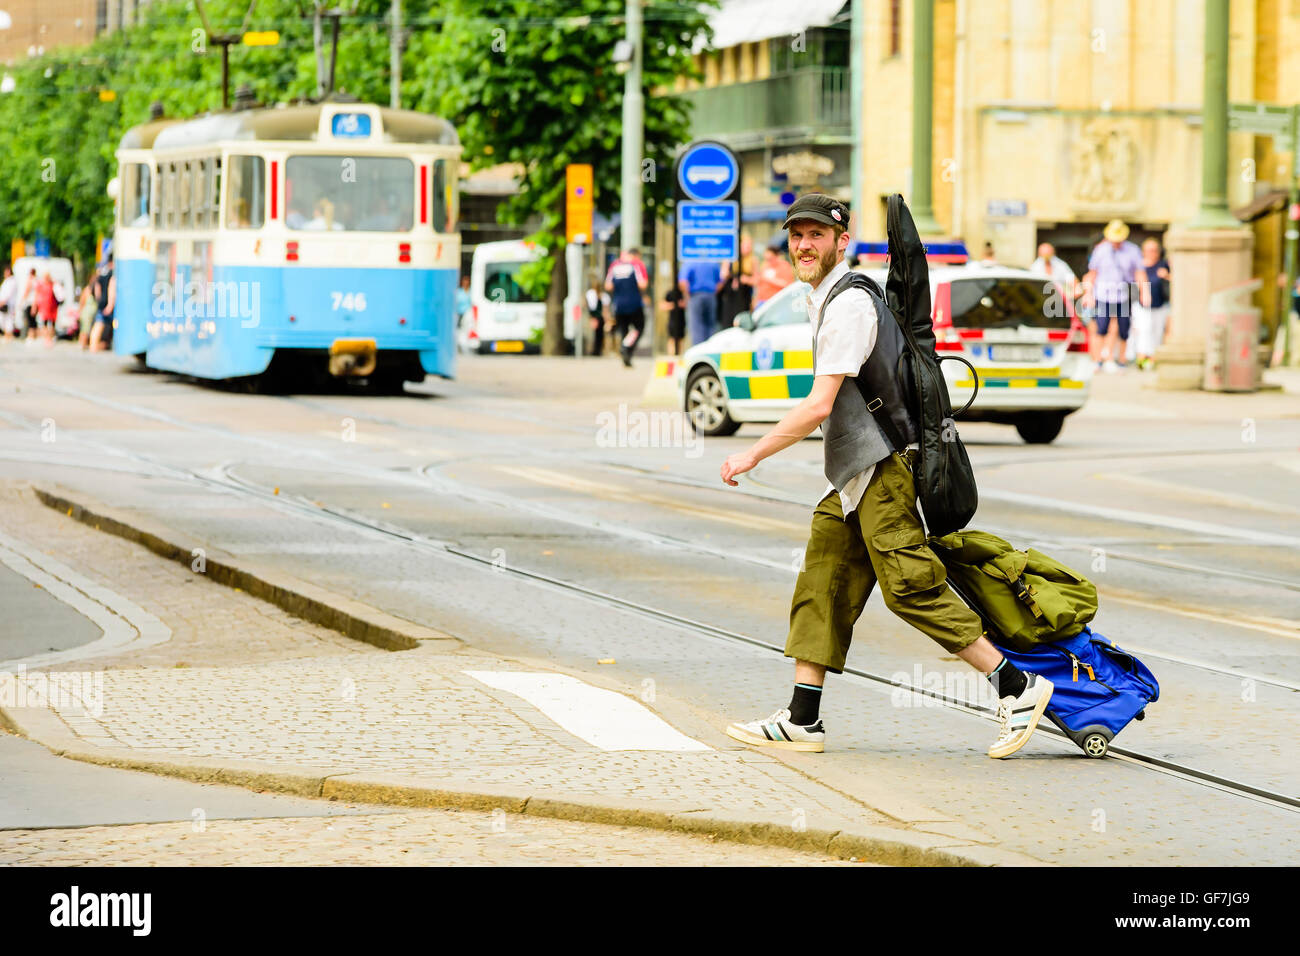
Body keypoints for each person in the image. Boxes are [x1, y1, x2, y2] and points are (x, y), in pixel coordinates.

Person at [719, 194, 1054, 759]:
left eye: (816, 235)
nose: (804, 244)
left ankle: (1017, 688)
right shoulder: (822, 298)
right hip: (853, 472)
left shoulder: (849, 305)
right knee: (823, 578)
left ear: (840, 242)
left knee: (908, 586)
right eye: (796, 235)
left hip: (884, 470)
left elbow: (820, 404)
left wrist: (752, 454)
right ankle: (803, 720)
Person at [1083, 219, 1142, 371]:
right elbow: (1092, 274)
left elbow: (1139, 273)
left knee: (1123, 329)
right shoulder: (1101, 250)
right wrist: (1088, 294)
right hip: (1103, 294)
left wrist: (1143, 292)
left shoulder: (1133, 250)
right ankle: (1098, 360)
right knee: (1101, 327)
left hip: (1123, 294)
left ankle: (1119, 360)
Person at [604, 247, 649, 367]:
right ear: (636, 255)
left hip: (618, 304)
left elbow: (608, 286)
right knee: (639, 327)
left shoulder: (614, 265)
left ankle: (626, 355)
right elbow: (643, 283)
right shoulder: (637, 264)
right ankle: (626, 347)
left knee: (624, 329)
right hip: (634, 302)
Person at [1130, 238, 1171, 370]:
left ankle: (1153, 360)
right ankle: (1141, 359)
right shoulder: (1138, 266)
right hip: (1142, 305)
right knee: (1144, 330)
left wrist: (1167, 276)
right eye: (1148, 250)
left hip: (1160, 304)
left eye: (1154, 250)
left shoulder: (1164, 265)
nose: (1151, 253)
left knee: (1157, 331)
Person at [678, 258, 720, 347]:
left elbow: (683, 282)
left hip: (695, 296)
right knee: (710, 327)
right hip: (710, 296)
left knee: (696, 327)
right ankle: (710, 351)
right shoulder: (713, 262)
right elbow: (720, 282)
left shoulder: (690, 261)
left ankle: (699, 353)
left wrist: (687, 297)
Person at [717, 235, 756, 328]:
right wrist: (731, 276)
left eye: (749, 246)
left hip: (744, 297)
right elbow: (723, 275)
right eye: (745, 246)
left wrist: (745, 279)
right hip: (730, 297)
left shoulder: (752, 261)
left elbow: (757, 280)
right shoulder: (729, 259)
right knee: (728, 324)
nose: (748, 249)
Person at [754, 239, 795, 309]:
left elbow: (787, 284)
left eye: (770, 258)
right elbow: (760, 284)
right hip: (762, 301)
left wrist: (769, 280)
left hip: (776, 302)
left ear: (776, 256)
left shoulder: (784, 266)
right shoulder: (765, 266)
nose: (768, 261)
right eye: (766, 259)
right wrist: (756, 300)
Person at [89, 256, 115, 352]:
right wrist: (110, 305)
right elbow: (112, 290)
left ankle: (93, 346)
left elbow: (97, 289)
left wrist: (99, 301)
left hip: (102, 303)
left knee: (98, 325)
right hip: (109, 305)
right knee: (104, 325)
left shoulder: (101, 274)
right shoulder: (113, 275)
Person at [586, 277, 610, 356]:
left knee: (596, 334)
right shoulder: (602, 296)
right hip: (598, 317)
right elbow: (605, 310)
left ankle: (594, 350)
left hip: (594, 316)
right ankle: (596, 350)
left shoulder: (590, 294)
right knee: (598, 335)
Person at [659, 282, 685, 356]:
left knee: (680, 340)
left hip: (682, 320)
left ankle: (679, 355)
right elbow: (662, 306)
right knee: (672, 340)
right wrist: (675, 305)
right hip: (673, 320)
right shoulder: (671, 293)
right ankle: (671, 356)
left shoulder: (684, 293)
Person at [35, 271, 58, 346]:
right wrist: (36, 305)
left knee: (51, 324)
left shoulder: (53, 284)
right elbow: (37, 296)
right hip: (45, 307)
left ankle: (50, 338)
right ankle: (47, 338)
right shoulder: (42, 285)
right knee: (45, 323)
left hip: (52, 306)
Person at [0, 265, 15, 339]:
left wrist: (2, 302)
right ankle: (7, 335)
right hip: (3, 304)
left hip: (8, 304)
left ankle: (9, 336)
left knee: (8, 320)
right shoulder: (6, 281)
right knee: (3, 320)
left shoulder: (11, 281)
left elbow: (8, 294)